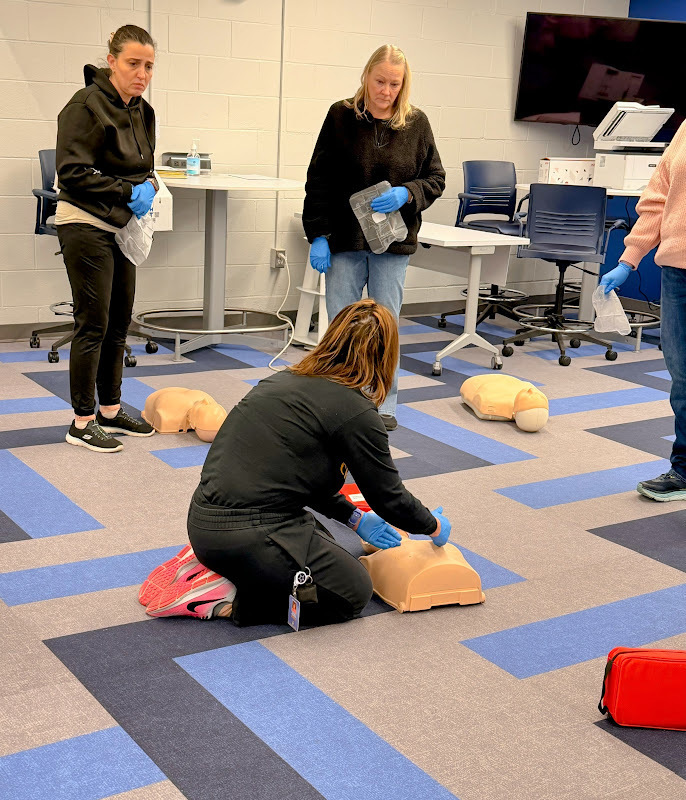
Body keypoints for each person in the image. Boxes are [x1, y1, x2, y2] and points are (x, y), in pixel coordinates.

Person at [145, 300, 452, 626]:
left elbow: (297, 476)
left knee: (336, 543)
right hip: (244, 534)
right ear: (385, 356)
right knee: (352, 592)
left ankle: (225, 569)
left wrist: (354, 518)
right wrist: (430, 525)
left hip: (206, 522)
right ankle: (225, 599)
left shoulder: (283, 381)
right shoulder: (357, 413)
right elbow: (389, 498)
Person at [302, 44, 446, 432]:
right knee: (341, 326)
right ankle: (336, 400)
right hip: (344, 241)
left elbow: (436, 179)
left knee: (386, 326)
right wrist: (317, 234)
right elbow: (319, 180)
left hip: (392, 245)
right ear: (366, 76)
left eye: (394, 84)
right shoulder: (340, 116)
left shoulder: (416, 123)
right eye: (380, 81)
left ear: (404, 85)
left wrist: (408, 194)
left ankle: (383, 404)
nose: (386, 91)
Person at [56, 25, 158, 453]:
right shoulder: (84, 106)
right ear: (112, 60)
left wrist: (150, 184)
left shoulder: (143, 110)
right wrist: (126, 191)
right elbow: (72, 172)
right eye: (133, 63)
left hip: (122, 227)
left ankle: (110, 411)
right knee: (93, 324)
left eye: (149, 66)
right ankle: (80, 421)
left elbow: (145, 164)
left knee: (120, 323)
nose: (142, 73)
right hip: (84, 223)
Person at [600, 119, 686, 501]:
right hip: (678, 272)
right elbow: (657, 199)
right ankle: (684, 469)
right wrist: (629, 258)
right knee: (682, 375)